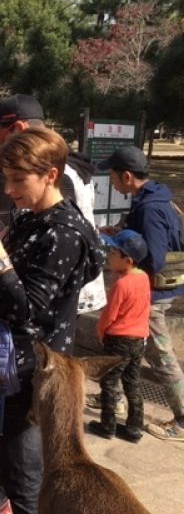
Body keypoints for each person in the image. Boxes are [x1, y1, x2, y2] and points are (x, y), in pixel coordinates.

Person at [0, 127, 105, 514]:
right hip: (18, 362)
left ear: (51, 175)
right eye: (5, 178)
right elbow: (12, 291)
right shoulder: (33, 220)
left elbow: (33, 313)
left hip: (35, 371)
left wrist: (1, 262)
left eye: (17, 179)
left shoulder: (63, 233)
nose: (9, 190)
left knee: (26, 482)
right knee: (11, 468)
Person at [97, 145, 184, 441]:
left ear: (127, 176)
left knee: (160, 355)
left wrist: (127, 256)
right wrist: (119, 234)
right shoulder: (152, 197)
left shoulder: (149, 208)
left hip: (153, 294)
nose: (110, 181)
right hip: (148, 290)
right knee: (125, 351)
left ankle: (183, 416)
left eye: (112, 175)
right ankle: (115, 400)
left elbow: (155, 257)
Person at [89, 230, 150, 443]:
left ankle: (107, 425)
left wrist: (101, 331)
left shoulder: (122, 284)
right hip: (139, 339)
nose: (109, 255)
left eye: (114, 253)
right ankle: (134, 429)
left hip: (118, 339)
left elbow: (109, 314)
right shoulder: (143, 278)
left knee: (109, 382)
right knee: (132, 382)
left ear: (128, 260)